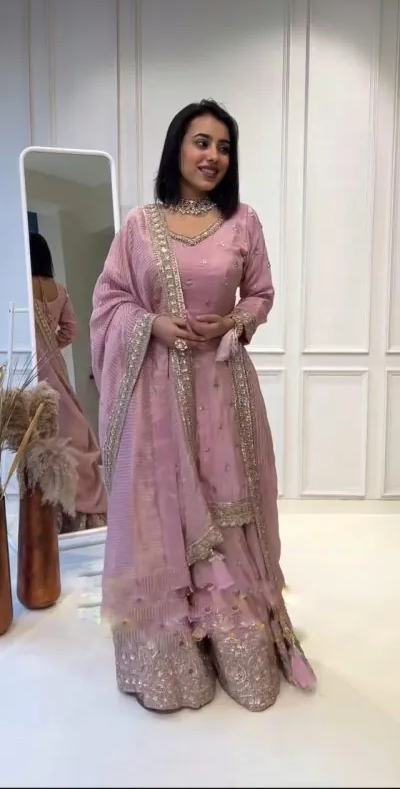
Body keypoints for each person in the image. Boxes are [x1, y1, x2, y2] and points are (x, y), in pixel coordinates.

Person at [90, 99, 316, 713]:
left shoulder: (243, 221)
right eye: (201, 142)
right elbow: (109, 301)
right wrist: (152, 325)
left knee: (227, 505)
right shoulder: (139, 225)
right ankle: (172, 659)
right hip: (156, 395)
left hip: (223, 391)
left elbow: (261, 293)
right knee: (162, 506)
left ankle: (236, 641)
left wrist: (235, 321)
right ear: (178, 147)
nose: (213, 156)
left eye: (224, 146)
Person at [30, 232, 107, 532]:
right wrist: (53, 347)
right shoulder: (58, 289)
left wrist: (40, 348)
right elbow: (72, 329)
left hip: (33, 366)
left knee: (43, 431)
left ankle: (52, 512)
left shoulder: (20, 285)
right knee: (70, 426)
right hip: (56, 365)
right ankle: (83, 507)